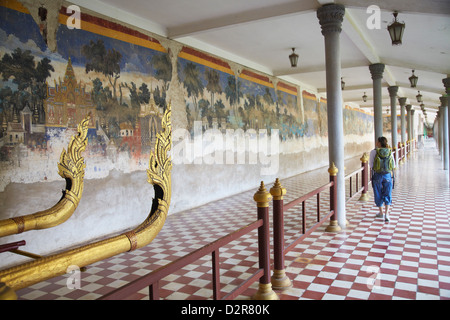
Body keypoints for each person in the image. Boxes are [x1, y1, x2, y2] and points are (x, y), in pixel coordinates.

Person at [369, 136, 395, 222]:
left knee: (378, 193)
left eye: (377, 141)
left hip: (377, 175)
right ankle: (387, 214)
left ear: (379, 143)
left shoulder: (373, 152)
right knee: (387, 193)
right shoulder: (389, 151)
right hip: (387, 175)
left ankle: (381, 213)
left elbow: (371, 165)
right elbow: (393, 164)